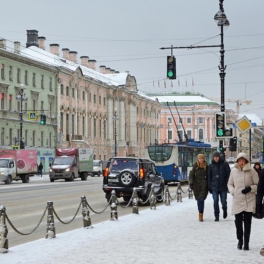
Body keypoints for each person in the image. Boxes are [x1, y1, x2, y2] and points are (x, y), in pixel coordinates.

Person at [227, 152, 259, 251]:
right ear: (237, 161)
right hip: (237, 200)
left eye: (243, 161)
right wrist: (233, 192)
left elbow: (258, 185)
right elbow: (230, 184)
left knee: (248, 224)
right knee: (238, 224)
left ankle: (246, 243)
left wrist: (250, 188)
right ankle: (240, 241)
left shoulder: (252, 171)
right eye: (239, 161)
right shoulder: (233, 171)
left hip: (249, 200)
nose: (241, 163)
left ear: (246, 161)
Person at [208, 151, 231, 222]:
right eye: (214, 157)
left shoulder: (224, 164)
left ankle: (225, 209)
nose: (216, 158)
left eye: (217, 157)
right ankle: (216, 216)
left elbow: (229, 175)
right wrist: (210, 187)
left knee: (223, 201)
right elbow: (209, 177)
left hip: (223, 186)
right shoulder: (211, 166)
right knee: (215, 201)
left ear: (219, 157)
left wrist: (227, 184)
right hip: (214, 187)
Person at [189, 153, 208, 222]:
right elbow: (191, 175)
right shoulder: (195, 166)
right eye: (200, 158)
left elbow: (209, 176)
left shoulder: (206, 166)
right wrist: (191, 183)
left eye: (202, 158)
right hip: (196, 186)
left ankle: (201, 214)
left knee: (201, 200)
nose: (201, 160)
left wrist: (208, 184)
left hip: (204, 186)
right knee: (198, 200)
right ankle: (200, 211)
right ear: (198, 159)